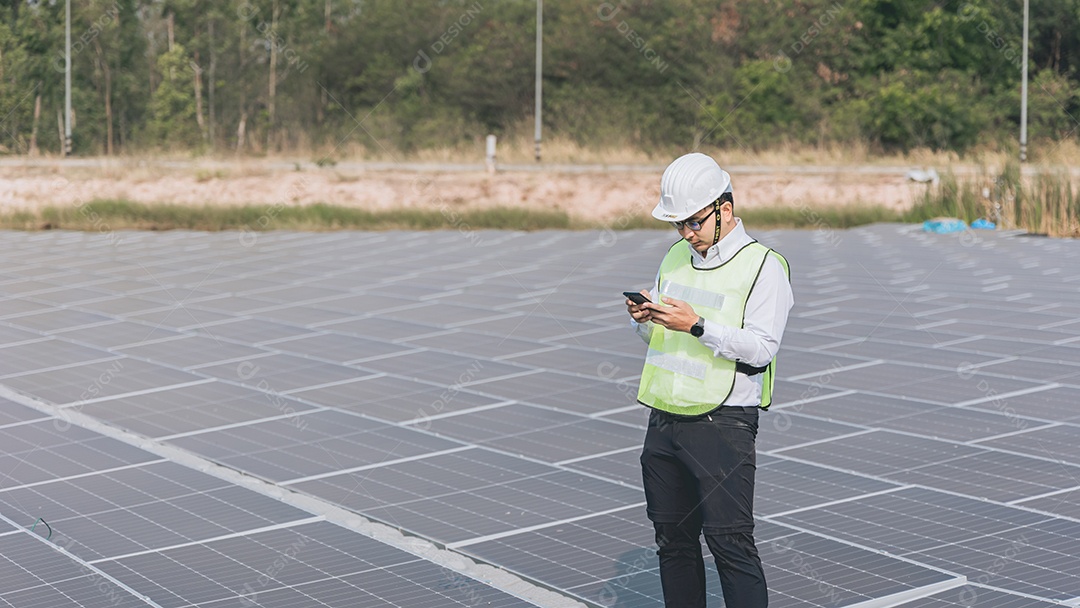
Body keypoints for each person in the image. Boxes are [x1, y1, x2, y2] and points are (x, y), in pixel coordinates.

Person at [626, 152, 793, 607]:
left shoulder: (763, 266)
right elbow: (663, 338)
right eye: (677, 224)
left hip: (723, 424)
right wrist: (645, 320)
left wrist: (698, 326)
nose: (686, 233)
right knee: (673, 543)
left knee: (730, 544)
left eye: (694, 222)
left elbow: (761, 349)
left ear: (725, 208)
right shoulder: (675, 257)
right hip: (664, 419)